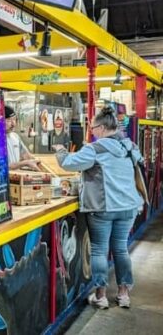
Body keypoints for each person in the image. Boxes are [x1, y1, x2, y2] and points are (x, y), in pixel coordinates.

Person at [55, 105, 144, 310]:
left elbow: (69, 164)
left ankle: (101, 295)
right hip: (129, 206)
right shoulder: (128, 146)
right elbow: (139, 161)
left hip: (103, 207)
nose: (92, 131)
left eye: (93, 127)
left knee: (99, 250)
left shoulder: (94, 149)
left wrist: (60, 152)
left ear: (103, 128)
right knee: (121, 249)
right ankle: (123, 294)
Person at [5, 105, 40, 170]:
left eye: (14, 119)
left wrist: (36, 160)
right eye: (9, 120)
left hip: (16, 177)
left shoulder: (15, 136)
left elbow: (26, 155)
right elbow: (4, 167)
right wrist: (25, 163)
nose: (13, 124)